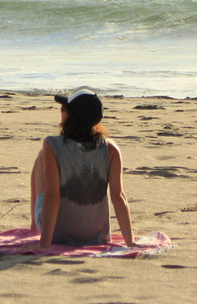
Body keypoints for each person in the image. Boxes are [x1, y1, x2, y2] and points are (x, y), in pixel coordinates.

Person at [29, 90, 134, 248]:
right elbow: (118, 197)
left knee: (40, 158)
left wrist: (44, 244)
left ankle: (33, 227)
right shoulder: (111, 149)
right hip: (96, 235)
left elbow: (52, 197)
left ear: (69, 116)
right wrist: (130, 242)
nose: (61, 112)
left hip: (57, 234)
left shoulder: (51, 145)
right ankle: (35, 226)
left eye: (63, 109)